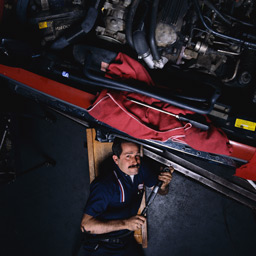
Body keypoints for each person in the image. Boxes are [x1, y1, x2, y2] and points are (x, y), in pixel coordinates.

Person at [80, 138, 174, 256]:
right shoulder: (105, 184)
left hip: (126, 241)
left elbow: (161, 191)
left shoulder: (141, 168)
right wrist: (125, 223)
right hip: (101, 245)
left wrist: (164, 185)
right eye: (128, 156)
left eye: (137, 155)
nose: (135, 161)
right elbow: (86, 226)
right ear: (116, 159)